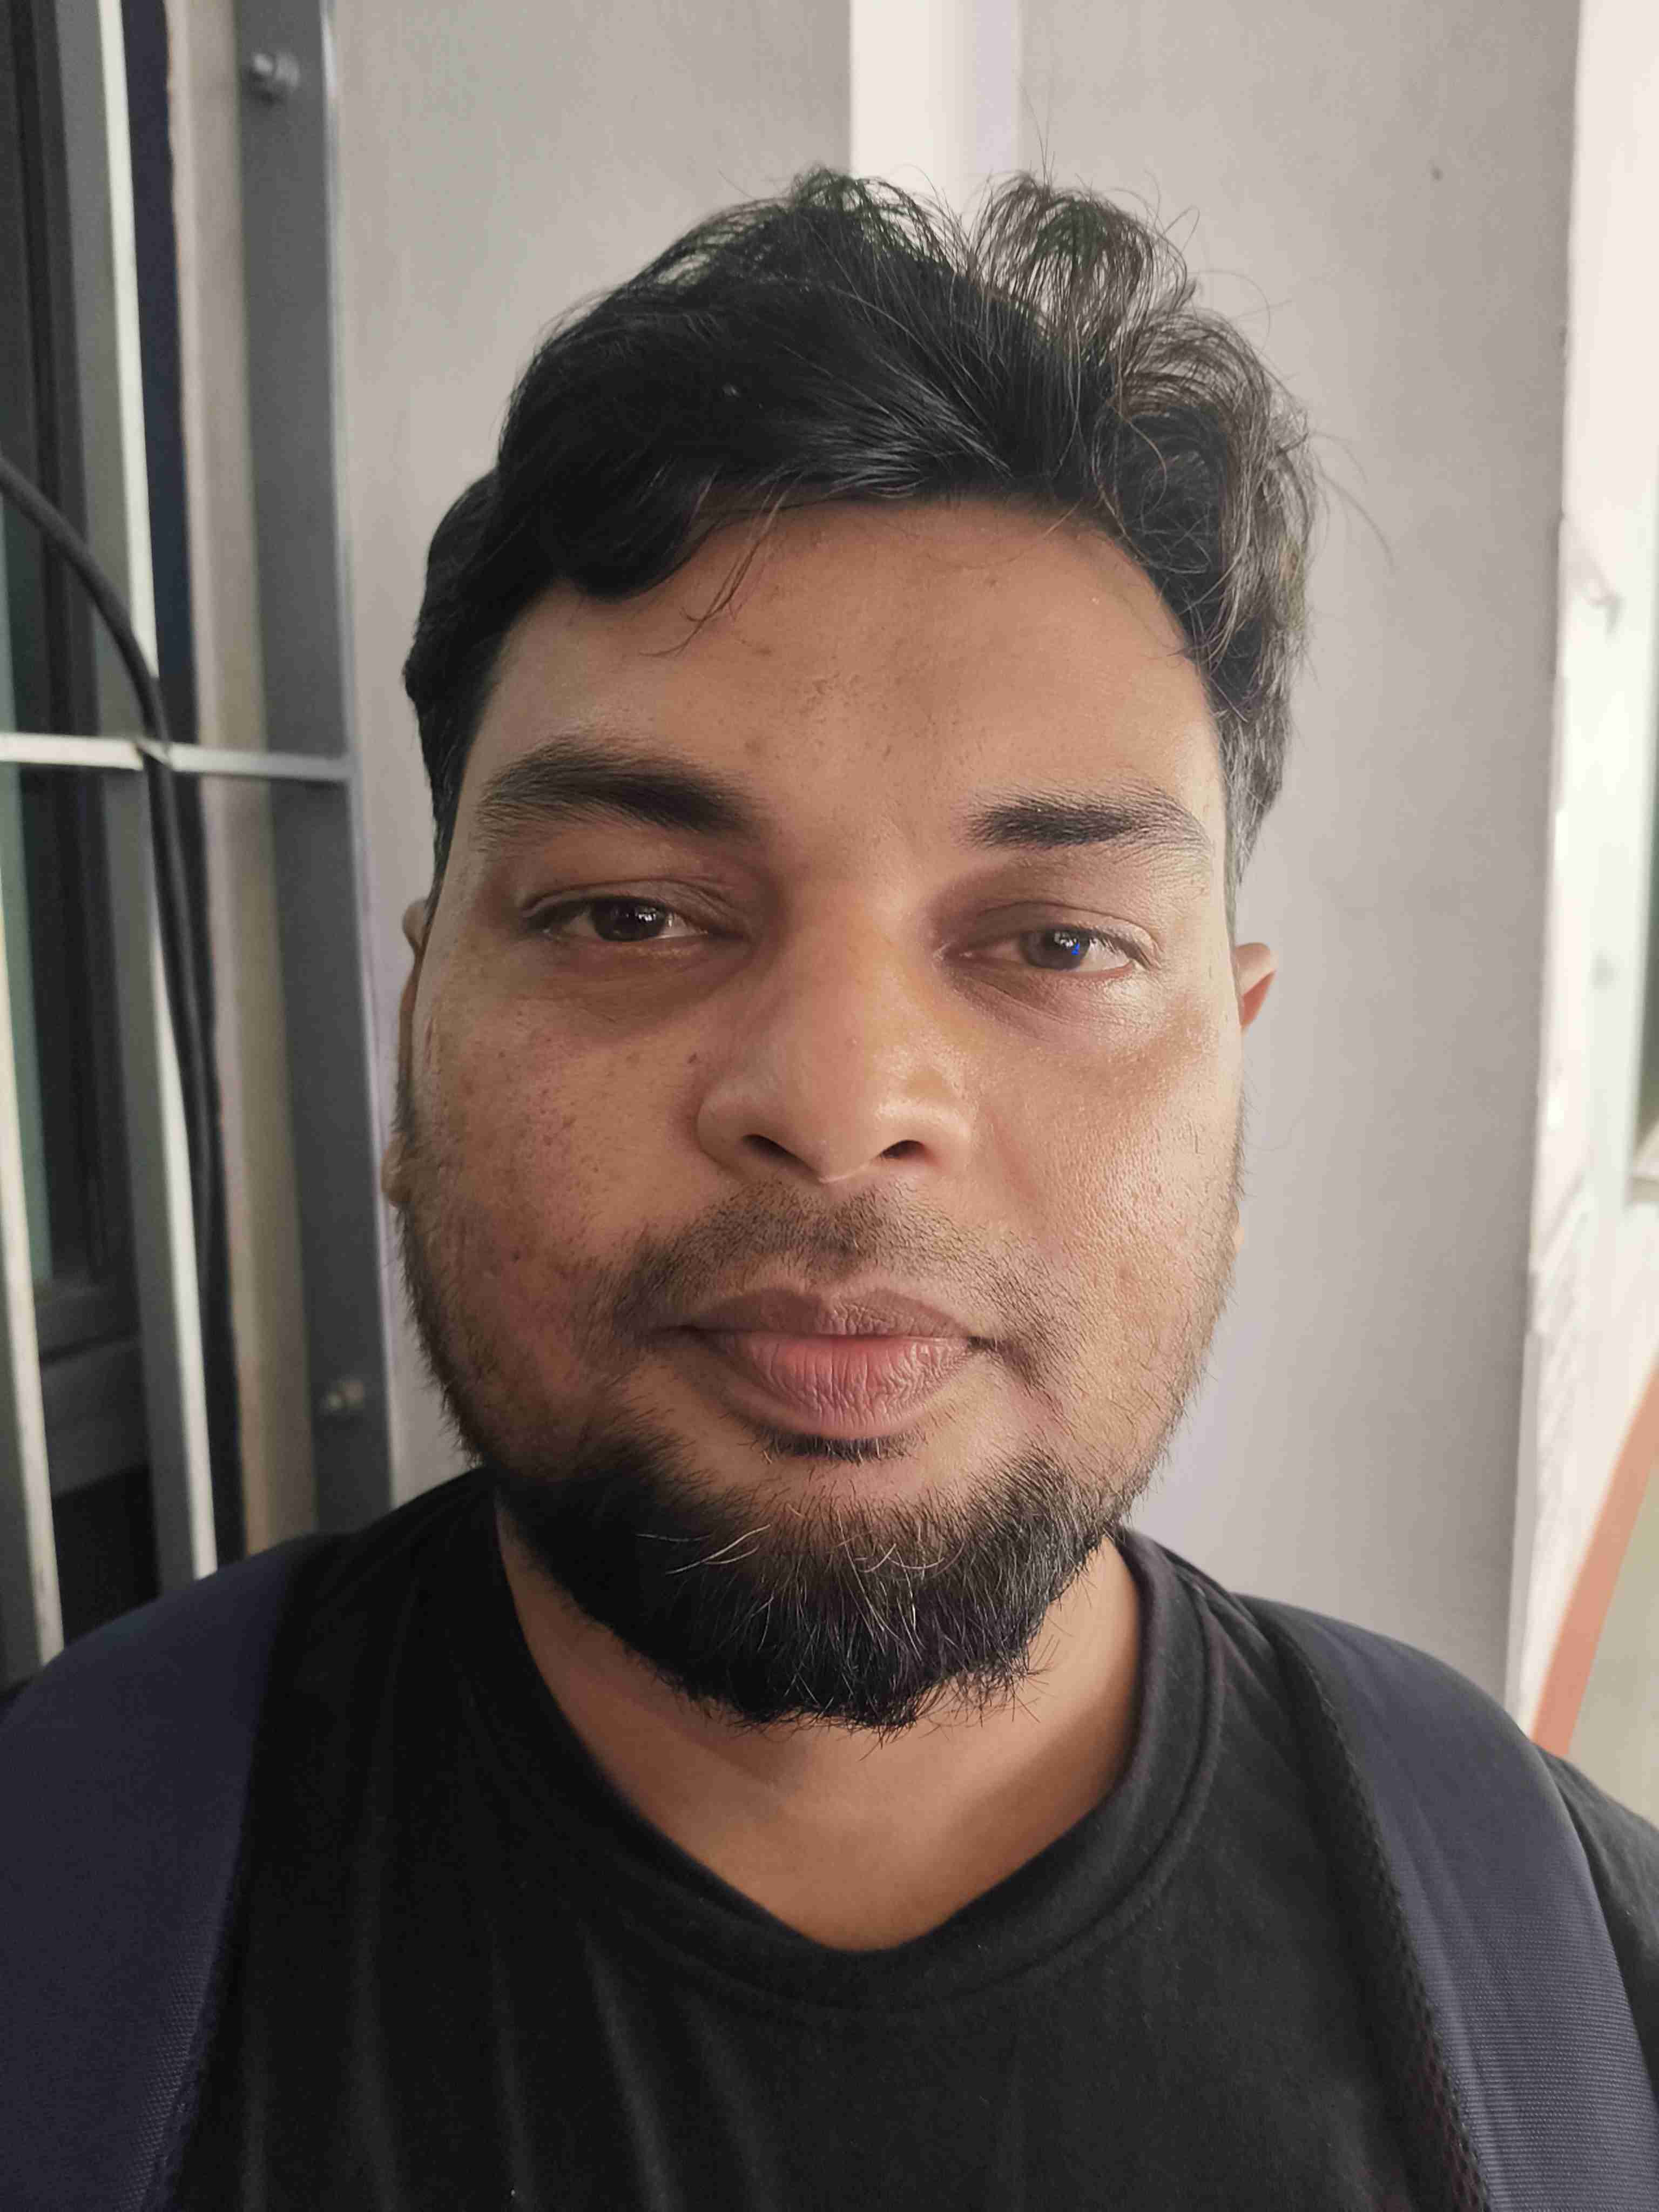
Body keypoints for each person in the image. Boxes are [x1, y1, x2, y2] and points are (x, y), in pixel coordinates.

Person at [154, 168, 1655, 2204]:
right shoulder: (66, 1915)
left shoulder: (1591, 2016)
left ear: (1234, 1068)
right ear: (420, 1026)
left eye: (1056, 941)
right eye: (627, 914)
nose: (845, 1106)